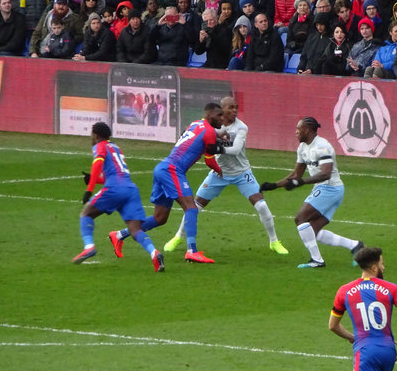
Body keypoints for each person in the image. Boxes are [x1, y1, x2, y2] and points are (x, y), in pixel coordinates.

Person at [164, 97, 290, 256]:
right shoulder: (213, 125)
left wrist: (213, 147)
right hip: (219, 173)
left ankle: (274, 242)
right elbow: (197, 136)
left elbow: (236, 149)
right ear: (221, 109)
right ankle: (178, 237)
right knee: (194, 207)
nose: (235, 110)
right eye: (231, 107)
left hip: (242, 173)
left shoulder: (242, 127)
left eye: (236, 107)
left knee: (262, 206)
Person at [108, 103, 226, 264]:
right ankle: (192, 251)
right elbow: (210, 161)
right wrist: (220, 170)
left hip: (163, 168)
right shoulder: (210, 131)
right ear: (210, 114)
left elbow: (192, 139)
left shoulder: (195, 124)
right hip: (172, 170)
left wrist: (218, 140)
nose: (222, 119)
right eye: (219, 115)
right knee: (191, 208)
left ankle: (119, 235)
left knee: (160, 218)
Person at [259, 116, 364, 268]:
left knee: (300, 219)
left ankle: (317, 260)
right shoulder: (302, 148)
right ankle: (356, 246)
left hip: (330, 188)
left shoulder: (322, 147)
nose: (296, 132)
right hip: (325, 189)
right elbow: (296, 175)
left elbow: (326, 173)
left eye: (298, 129)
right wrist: (274, 185)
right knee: (313, 231)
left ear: (307, 130)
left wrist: (302, 182)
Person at [74, 122, 165, 272]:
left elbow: (98, 164)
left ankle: (89, 247)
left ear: (95, 135)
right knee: (135, 229)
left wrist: (89, 189)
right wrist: (94, 179)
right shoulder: (116, 147)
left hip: (114, 188)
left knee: (86, 213)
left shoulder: (99, 146)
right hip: (130, 189)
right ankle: (154, 253)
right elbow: (115, 172)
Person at [329, 246, 397, 371]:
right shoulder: (392, 288)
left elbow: (333, 326)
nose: (384, 267)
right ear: (374, 267)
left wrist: (352, 337)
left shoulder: (344, 291)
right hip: (388, 351)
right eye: (382, 263)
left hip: (366, 352)